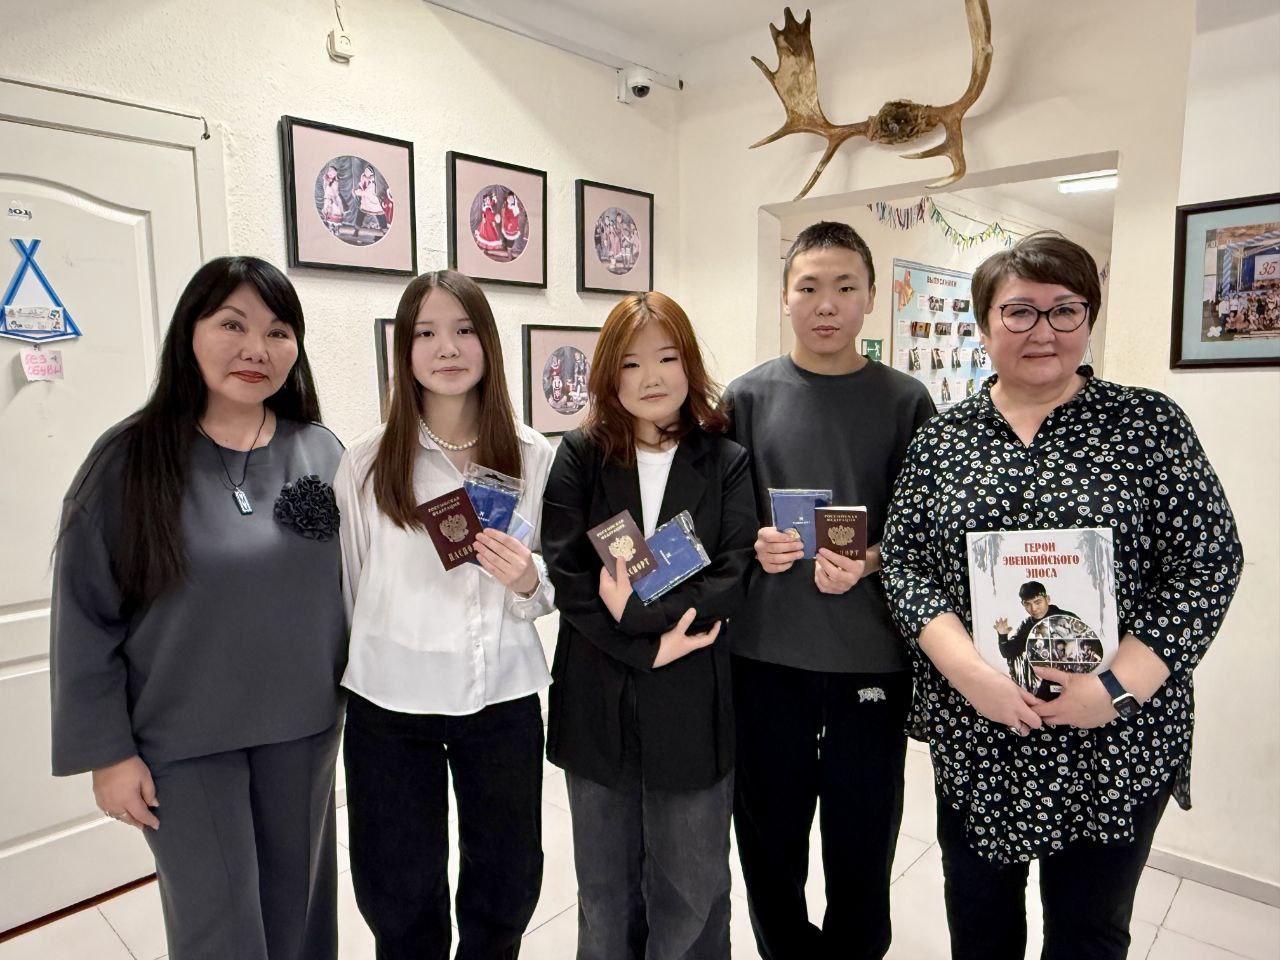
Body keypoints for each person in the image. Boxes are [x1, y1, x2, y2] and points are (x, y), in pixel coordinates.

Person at [882, 231, 1243, 960]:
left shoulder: (1147, 424)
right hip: (983, 730)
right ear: (984, 324)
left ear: (1089, 319)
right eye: (1019, 311)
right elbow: (906, 566)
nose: (1042, 330)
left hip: (1115, 734)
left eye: (1065, 309)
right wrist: (973, 676)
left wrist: (1113, 688)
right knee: (980, 925)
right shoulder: (943, 440)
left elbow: (1208, 562)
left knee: (1090, 931)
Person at [50, 257, 345, 960]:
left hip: (303, 731)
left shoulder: (323, 451)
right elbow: (85, 614)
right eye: (232, 325)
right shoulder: (129, 458)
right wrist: (109, 753)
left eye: (278, 332)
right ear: (190, 332)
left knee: (299, 918)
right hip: (183, 742)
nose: (256, 349)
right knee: (221, 931)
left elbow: (359, 585)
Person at [722, 221, 935, 959]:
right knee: (767, 835)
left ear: (872, 297)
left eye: (845, 287)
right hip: (764, 651)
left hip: (870, 655)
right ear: (784, 296)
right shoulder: (745, 397)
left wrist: (869, 561)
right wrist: (754, 543)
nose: (826, 304)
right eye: (809, 286)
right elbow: (720, 520)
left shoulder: (906, 400)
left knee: (863, 837)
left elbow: (925, 526)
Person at [334, 269, 555, 960]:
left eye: (463, 330)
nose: (447, 348)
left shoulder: (532, 454)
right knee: (397, 893)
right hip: (391, 707)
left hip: (502, 700)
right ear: (404, 350)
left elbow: (550, 582)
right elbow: (352, 586)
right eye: (425, 333)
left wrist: (528, 580)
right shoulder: (367, 461)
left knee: (506, 885)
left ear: (488, 342)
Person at [541, 291, 757, 960]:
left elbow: (733, 573)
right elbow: (568, 572)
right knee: (604, 893)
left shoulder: (725, 461)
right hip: (597, 696)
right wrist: (643, 648)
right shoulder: (581, 454)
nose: (652, 377)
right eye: (631, 364)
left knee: (693, 890)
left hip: (692, 696)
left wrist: (641, 618)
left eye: (667, 358)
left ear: (689, 363)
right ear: (609, 375)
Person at [995, 580, 1081, 697]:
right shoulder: (1027, 625)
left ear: (1047, 599)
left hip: (1073, 678)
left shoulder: (1068, 618)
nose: (1034, 608)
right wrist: (1002, 635)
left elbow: (1086, 647)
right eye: (1027, 604)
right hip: (1046, 681)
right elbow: (1008, 652)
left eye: (1038, 602)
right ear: (1023, 604)